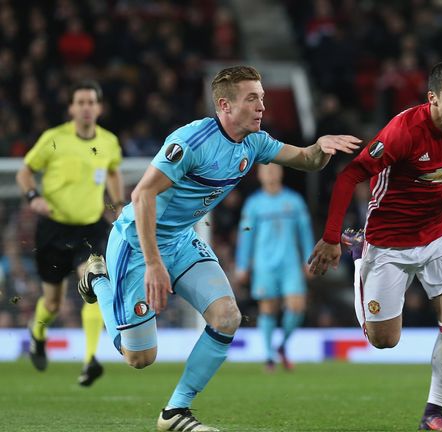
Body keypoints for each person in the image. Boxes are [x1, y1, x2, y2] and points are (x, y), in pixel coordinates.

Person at [77, 65, 360, 431]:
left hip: (181, 240)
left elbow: (306, 160)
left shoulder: (254, 142)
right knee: (140, 357)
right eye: (252, 98)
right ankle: (98, 278)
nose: (262, 106)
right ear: (225, 106)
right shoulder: (191, 142)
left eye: (262, 97)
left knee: (228, 317)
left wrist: (321, 147)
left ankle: (175, 412)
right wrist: (152, 264)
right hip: (137, 243)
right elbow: (142, 194)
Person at [309, 61, 442, 431]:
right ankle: (359, 256)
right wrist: (332, 237)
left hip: (441, 230)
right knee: (384, 341)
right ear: (433, 98)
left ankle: (434, 412)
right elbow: (350, 175)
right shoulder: (404, 131)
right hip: (389, 239)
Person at [16, 80, 124, 387]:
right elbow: (24, 171)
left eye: (92, 102)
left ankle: (90, 360)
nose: (87, 107)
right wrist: (33, 197)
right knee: (52, 303)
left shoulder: (109, 142)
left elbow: (114, 171)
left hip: (90, 227)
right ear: (72, 108)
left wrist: (116, 206)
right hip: (53, 228)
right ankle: (37, 333)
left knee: (94, 285)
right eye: (81, 102)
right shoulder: (53, 139)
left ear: (99, 108)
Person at [235, 163, 314, 372]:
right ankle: (269, 355)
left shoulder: (294, 201)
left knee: (297, 306)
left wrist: (309, 259)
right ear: (259, 175)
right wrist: (242, 264)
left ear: (281, 172)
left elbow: (305, 232)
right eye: (265, 170)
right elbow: (246, 235)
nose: (270, 172)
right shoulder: (254, 204)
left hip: (290, 262)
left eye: (274, 169)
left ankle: (282, 346)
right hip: (264, 264)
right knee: (268, 307)